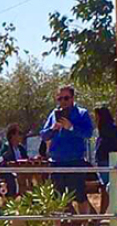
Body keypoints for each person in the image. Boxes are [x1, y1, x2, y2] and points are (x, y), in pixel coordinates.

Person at [39, 85, 95, 214]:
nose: (63, 102)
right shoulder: (54, 114)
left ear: (72, 98)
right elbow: (43, 135)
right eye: (60, 99)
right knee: (57, 196)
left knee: (79, 195)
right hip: (56, 161)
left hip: (75, 160)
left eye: (66, 98)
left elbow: (88, 134)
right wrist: (53, 129)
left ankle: (84, 224)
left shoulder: (82, 113)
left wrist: (71, 128)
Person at [94, 106, 117, 183]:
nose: (95, 119)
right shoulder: (101, 130)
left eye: (97, 116)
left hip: (107, 160)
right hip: (102, 160)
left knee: (110, 184)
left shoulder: (111, 129)